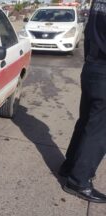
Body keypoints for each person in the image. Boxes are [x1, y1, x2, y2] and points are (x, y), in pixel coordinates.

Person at [60, 0, 106, 203]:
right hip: (103, 68)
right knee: (99, 130)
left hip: (92, 66)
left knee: (86, 121)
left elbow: (89, 32)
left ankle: (70, 167)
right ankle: (79, 180)